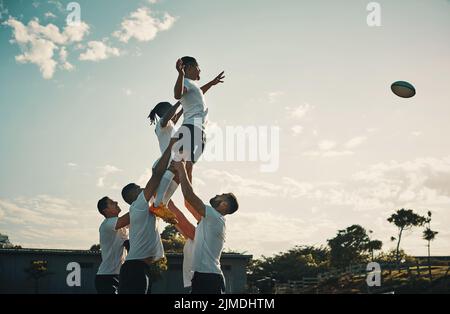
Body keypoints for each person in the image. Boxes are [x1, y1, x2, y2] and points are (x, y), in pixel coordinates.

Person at [151, 57, 225, 213]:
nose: (200, 71)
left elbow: (198, 94)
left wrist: (211, 83)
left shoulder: (193, 87)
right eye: (199, 67)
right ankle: (158, 204)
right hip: (191, 128)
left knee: (181, 169)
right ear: (190, 67)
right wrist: (180, 74)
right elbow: (177, 95)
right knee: (178, 165)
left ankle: (161, 203)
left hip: (197, 130)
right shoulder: (184, 82)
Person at [117, 139, 176, 294]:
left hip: (140, 268)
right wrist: (170, 146)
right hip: (134, 269)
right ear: (134, 194)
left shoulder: (147, 208)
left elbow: (165, 191)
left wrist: (175, 171)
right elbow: (156, 176)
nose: (143, 188)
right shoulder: (139, 205)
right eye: (139, 188)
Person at [172, 159, 239, 294]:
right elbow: (188, 203)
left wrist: (181, 169)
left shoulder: (215, 217)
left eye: (222, 196)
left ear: (224, 205)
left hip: (209, 278)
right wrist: (188, 171)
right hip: (204, 276)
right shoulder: (211, 220)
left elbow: (189, 196)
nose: (217, 195)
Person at [95, 197, 130, 294]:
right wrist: (142, 202)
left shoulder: (121, 224)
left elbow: (138, 218)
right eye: (111, 202)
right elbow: (134, 214)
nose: (116, 202)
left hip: (119, 276)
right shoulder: (107, 224)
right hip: (107, 277)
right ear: (106, 210)